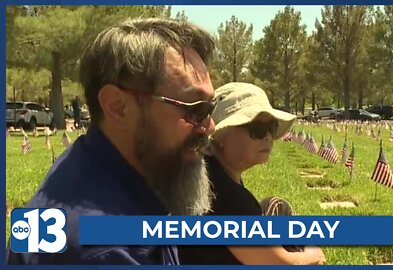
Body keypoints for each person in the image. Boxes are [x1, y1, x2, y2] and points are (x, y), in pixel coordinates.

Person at [7, 18, 216, 265]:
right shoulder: (102, 252)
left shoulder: (95, 162)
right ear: (117, 107)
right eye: (196, 110)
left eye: (211, 106)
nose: (210, 126)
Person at [178, 82, 326, 265]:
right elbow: (281, 264)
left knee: (276, 207)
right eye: (256, 130)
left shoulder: (210, 173)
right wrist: (314, 253)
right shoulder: (226, 195)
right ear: (221, 136)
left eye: (271, 128)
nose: (268, 137)